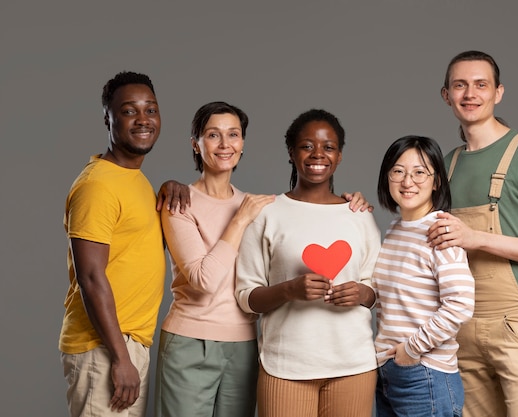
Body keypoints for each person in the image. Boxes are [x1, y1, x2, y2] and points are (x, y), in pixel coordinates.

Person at [155, 103, 373, 417]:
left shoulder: (259, 205)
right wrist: (238, 220)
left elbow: (302, 213)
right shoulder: (182, 201)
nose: (225, 144)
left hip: (245, 342)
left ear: (242, 144)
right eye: (213, 135)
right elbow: (205, 280)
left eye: (233, 135)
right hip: (192, 337)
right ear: (196, 143)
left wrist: (351, 204)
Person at [428, 50, 518, 417]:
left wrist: (476, 239)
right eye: (460, 85)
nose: (470, 94)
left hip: (517, 324)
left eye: (481, 84)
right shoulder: (447, 164)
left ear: (499, 92)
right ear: (446, 95)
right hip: (461, 324)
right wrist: (355, 202)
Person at [235, 109, 381, 417]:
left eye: (328, 147)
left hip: (354, 364)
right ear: (291, 152)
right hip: (286, 364)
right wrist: (288, 290)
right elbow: (246, 298)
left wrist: (361, 294)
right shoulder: (267, 214)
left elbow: (376, 289)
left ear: (340, 156)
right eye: (307, 146)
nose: (318, 154)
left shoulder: (359, 215)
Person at [59, 71, 188, 417]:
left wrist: (170, 186)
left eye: (151, 109)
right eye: (130, 111)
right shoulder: (97, 186)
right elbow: (90, 277)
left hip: (129, 344)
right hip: (104, 346)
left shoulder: (136, 180)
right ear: (108, 118)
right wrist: (119, 357)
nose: (143, 119)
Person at [373, 135, 475, 417]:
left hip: (424, 374)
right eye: (398, 171)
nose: (408, 182)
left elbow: (460, 304)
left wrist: (411, 351)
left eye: (420, 172)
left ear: (437, 180)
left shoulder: (441, 230)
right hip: (388, 371)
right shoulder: (395, 229)